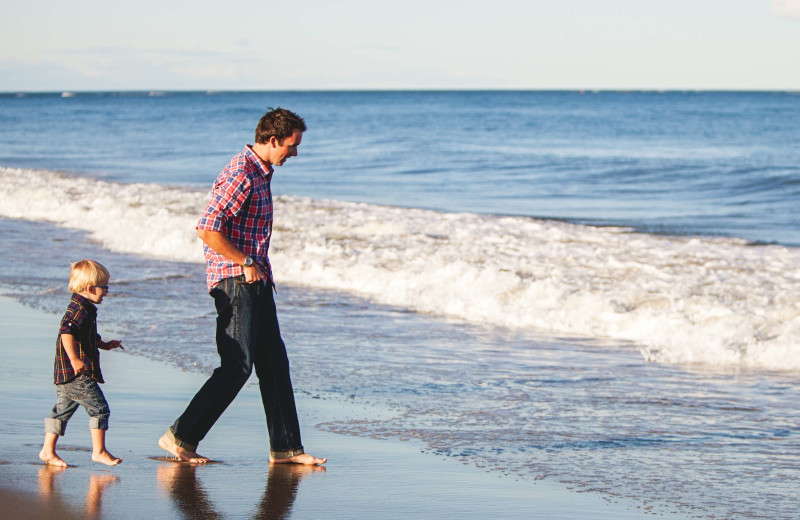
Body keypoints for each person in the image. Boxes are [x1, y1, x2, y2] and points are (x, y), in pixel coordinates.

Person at [158, 107, 326, 465]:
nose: (295, 153)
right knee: (237, 365)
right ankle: (180, 437)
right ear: (272, 140)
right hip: (236, 280)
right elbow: (207, 227)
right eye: (291, 146)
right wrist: (245, 261)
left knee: (274, 364)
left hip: (256, 279)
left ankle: (286, 449)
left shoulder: (260, 172)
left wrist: (255, 266)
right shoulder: (242, 172)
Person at [39, 260, 124, 467]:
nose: (106, 292)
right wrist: (75, 359)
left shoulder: (83, 306)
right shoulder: (79, 309)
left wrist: (104, 344)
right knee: (100, 409)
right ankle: (99, 451)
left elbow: (84, 335)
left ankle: (47, 451)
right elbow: (66, 333)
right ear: (90, 288)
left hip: (65, 373)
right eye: (105, 288)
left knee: (62, 410)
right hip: (76, 372)